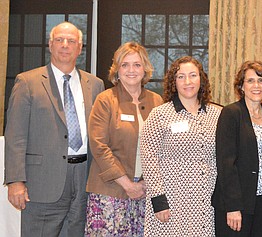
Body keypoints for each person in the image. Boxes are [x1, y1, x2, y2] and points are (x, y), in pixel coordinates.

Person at [4, 21, 105, 237]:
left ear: (80, 48)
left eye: (71, 41)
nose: (65, 45)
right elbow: (15, 137)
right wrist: (15, 181)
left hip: (84, 178)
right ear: (50, 45)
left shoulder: (95, 84)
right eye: (59, 40)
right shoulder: (27, 82)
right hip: (42, 181)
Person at [85, 42, 163, 236]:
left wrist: (147, 183)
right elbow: (99, 146)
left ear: (144, 69)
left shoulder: (157, 101)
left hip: (145, 193)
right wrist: (128, 185)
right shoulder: (105, 99)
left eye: (137, 64)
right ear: (117, 70)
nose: (131, 70)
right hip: (110, 192)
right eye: (125, 65)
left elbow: (162, 148)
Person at [140, 56, 222, 236]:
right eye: (181, 76)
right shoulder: (160, 114)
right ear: (173, 82)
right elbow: (148, 157)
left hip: (205, 201)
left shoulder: (216, 115)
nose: (187, 82)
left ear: (201, 79)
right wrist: (158, 199)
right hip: (171, 199)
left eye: (193, 75)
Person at [213, 60, 262, 237]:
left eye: (261, 81)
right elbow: (226, 164)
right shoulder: (231, 113)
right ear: (241, 86)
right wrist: (233, 207)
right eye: (250, 81)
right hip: (238, 203)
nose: (256, 85)